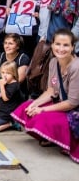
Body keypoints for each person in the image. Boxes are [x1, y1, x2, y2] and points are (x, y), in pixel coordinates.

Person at [12, 28, 79, 163]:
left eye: (66, 45)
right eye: (58, 44)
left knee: (43, 118)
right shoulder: (54, 62)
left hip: (74, 110)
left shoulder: (76, 67)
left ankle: (62, 139)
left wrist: (42, 109)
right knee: (26, 108)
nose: (61, 48)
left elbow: (72, 103)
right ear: (52, 45)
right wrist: (35, 104)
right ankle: (55, 138)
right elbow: (51, 91)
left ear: (73, 47)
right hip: (61, 102)